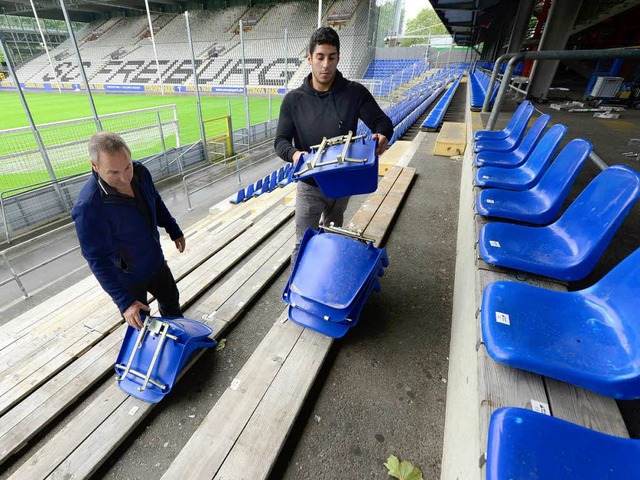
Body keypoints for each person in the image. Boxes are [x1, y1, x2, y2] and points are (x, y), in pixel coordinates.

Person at [274, 26, 394, 259]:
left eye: (331, 57)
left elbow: (382, 121)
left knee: (334, 236)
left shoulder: (354, 93)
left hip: (342, 183)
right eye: (319, 57)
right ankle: (298, 292)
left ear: (338, 57)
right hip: (310, 184)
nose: (326, 65)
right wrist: (294, 155)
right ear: (309, 58)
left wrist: (382, 135)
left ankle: (328, 285)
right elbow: (280, 141)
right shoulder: (293, 100)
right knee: (302, 244)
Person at [72, 131, 186, 330]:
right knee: (141, 326)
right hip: (127, 279)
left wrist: (173, 228)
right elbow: (96, 260)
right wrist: (124, 302)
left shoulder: (140, 172)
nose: (125, 178)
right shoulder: (88, 207)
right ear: (95, 167)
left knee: (172, 304)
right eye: (114, 172)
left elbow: (155, 201)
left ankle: (179, 340)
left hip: (156, 262)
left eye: (127, 167)